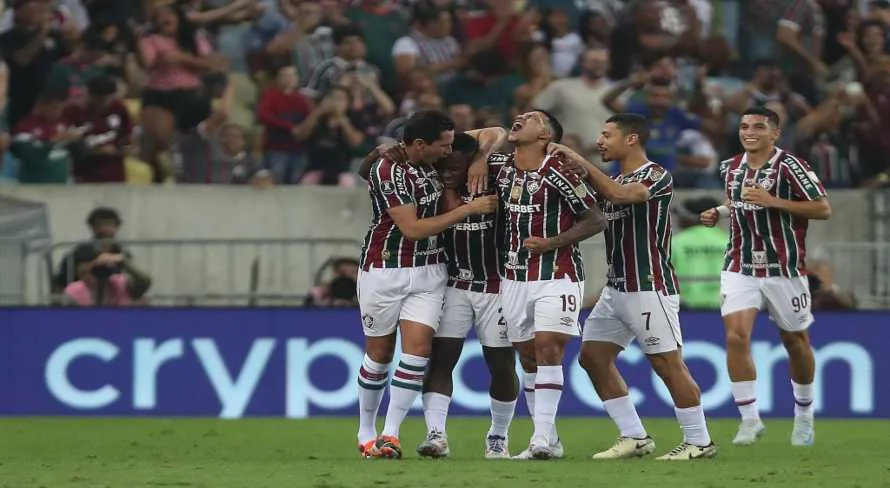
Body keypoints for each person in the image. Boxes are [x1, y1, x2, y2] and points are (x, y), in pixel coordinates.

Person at [554, 113, 717, 461]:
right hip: (616, 289)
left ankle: (699, 441)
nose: (600, 141)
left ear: (631, 139)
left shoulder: (655, 175)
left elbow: (619, 194)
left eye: (606, 134)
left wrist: (583, 163)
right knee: (593, 357)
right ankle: (634, 436)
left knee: (666, 363)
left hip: (648, 285)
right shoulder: (616, 177)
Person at [355, 110, 498, 460]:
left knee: (417, 351)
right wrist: (468, 209)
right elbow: (413, 229)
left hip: (430, 270)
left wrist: (479, 158)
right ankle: (366, 431)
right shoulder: (388, 169)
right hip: (384, 269)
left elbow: (495, 131)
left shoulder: (430, 157)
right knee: (380, 355)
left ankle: (391, 435)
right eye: (443, 146)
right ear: (420, 145)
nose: (449, 152)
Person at [700, 106, 831, 447]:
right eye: (744, 126)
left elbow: (822, 208)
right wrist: (720, 211)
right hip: (740, 266)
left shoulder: (791, 167)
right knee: (736, 337)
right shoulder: (730, 167)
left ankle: (804, 416)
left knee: (796, 343)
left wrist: (773, 201)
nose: (749, 131)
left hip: (784, 269)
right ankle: (749, 419)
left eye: (758, 126)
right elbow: (739, 201)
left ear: (775, 133)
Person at [493, 110, 606, 460]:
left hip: (557, 274)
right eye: (520, 115)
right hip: (513, 277)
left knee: (548, 347)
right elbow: (479, 137)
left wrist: (551, 242)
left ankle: (540, 438)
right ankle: (551, 439)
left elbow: (596, 219)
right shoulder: (499, 168)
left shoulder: (560, 172)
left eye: (531, 118)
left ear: (545, 135)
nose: (520, 118)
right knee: (527, 356)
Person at [671, 196, 729, 310]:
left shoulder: (676, 242)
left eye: (681, 215)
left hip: (686, 309)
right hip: (725, 305)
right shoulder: (728, 241)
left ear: (689, 217)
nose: (678, 220)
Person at [62, 243, 152, 306]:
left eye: (96, 269)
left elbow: (144, 282)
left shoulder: (119, 283)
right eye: (85, 273)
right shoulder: (74, 290)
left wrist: (124, 262)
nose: (93, 276)